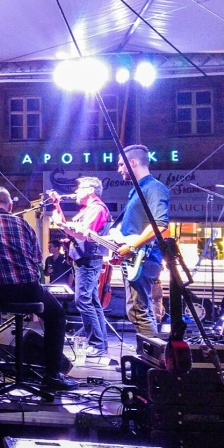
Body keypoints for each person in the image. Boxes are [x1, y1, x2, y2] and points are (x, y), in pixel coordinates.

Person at [0, 187, 76, 393]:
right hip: (29, 289)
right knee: (57, 316)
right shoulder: (24, 224)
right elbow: (36, 261)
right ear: (10, 206)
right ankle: (52, 375)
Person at [50, 176, 112, 357]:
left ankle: (97, 344)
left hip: (88, 260)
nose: (76, 192)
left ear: (91, 190)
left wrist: (62, 224)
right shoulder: (88, 210)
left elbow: (84, 234)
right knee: (92, 301)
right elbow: (73, 232)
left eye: (80, 188)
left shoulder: (97, 209)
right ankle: (101, 343)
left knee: (83, 301)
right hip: (85, 260)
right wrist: (57, 207)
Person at [114, 144, 170, 335]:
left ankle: (155, 360)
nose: (119, 169)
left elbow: (160, 225)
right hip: (135, 258)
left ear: (133, 162)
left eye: (122, 164)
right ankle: (147, 358)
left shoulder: (154, 188)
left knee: (138, 311)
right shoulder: (136, 191)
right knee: (138, 311)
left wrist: (131, 246)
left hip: (144, 258)